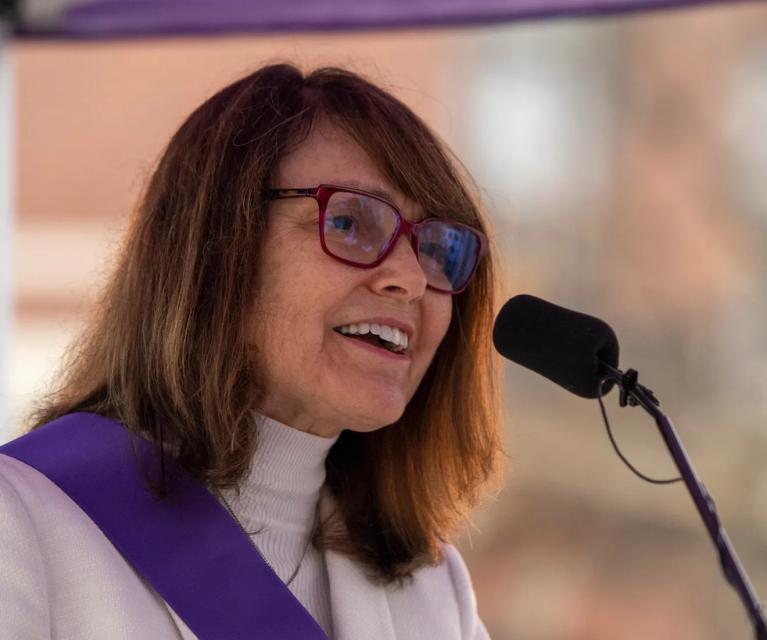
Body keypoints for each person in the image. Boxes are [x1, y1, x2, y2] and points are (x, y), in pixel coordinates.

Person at [0, 63, 504, 639]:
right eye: (349, 222)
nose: (411, 278)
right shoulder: (21, 524)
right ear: (215, 248)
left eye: (440, 248)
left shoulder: (432, 591)